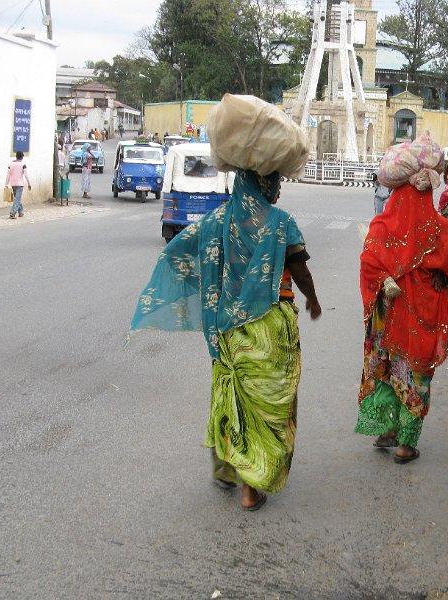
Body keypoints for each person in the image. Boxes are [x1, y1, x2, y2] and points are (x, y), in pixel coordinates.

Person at [129, 94, 321, 512]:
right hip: (271, 328)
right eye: (276, 178)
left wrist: (196, 287)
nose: (279, 185)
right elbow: (301, 269)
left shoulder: (215, 221)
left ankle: (230, 464)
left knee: (231, 396)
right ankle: (253, 483)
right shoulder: (282, 223)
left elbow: (176, 252)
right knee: (268, 403)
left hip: (227, 331)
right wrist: (314, 301)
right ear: (264, 180)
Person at [355, 138, 448, 464]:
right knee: (416, 376)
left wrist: (384, 280)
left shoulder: (382, 225)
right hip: (424, 314)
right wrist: (447, 279)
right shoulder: (441, 230)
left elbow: (368, 263)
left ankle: (389, 429)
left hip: (390, 317)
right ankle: (406, 443)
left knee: (392, 370)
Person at [4, 151, 32, 219]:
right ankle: (12, 213)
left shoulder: (10, 164)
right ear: (22, 157)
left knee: (17, 198)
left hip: (13, 184)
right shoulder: (23, 165)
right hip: (20, 184)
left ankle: (21, 212)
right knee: (17, 199)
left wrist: (6, 184)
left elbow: (8, 175)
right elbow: (26, 175)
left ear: (16, 156)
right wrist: (29, 183)